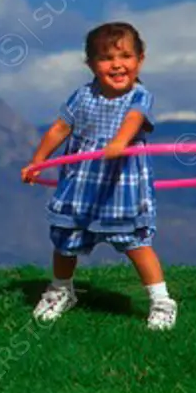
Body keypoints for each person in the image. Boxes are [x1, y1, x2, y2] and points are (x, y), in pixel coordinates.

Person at [21, 21, 177, 330]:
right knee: (66, 239)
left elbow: (134, 120)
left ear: (140, 60)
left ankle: (161, 301)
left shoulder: (139, 96)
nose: (117, 65)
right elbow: (60, 128)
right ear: (91, 64)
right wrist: (37, 162)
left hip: (121, 187)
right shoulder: (82, 96)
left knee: (134, 242)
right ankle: (61, 290)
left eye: (126, 56)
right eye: (106, 58)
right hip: (81, 184)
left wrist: (119, 141)